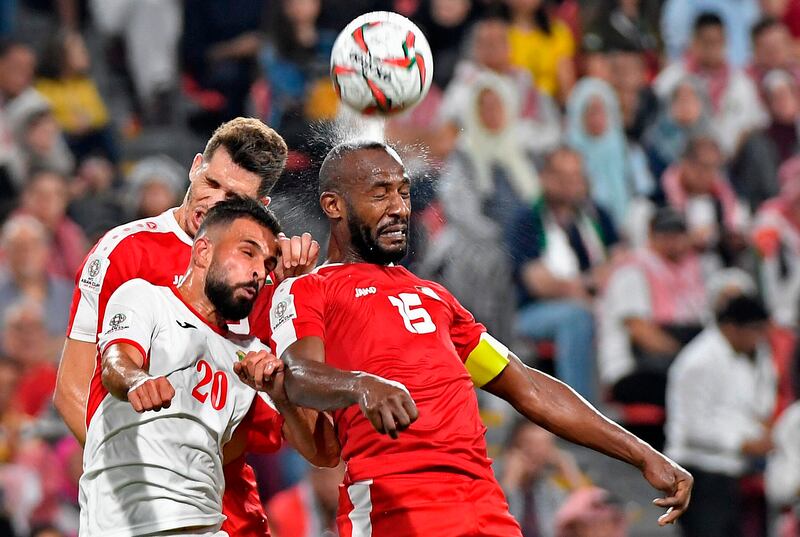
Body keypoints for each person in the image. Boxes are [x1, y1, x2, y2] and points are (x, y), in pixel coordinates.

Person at [237, 141, 693, 537]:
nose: (399, 207)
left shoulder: (435, 298)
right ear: (334, 205)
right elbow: (298, 374)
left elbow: (527, 385)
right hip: (396, 507)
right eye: (380, 194)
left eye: (403, 191)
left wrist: (641, 452)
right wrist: (363, 385)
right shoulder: (308, 288)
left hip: (484, 508)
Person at [54, 117, 320, 537]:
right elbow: (71, 389)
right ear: (196, 165)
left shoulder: (263, 277)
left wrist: (294, 292)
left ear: (260, 207)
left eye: (233, 196)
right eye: (211, 182)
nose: (213, 202)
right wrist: (139, 476)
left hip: (229, 507)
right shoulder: (124, 252)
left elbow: (281, 423)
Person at [80, 198, 339, 536]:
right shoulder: (146, 298)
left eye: (268, 262)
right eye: (248, 253)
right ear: (202, 251)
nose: (259, 271)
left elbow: (325, 452)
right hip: (122, 525)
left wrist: (282, 394)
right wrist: (136, 381)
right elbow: (116, 361)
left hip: (205, 525)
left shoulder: (250, 356)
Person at [423, 73, 539, 343]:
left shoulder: (521, 153)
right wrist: (502, 240)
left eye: (497, 105)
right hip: (475, 242)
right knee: (491, 265)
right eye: (483, 106)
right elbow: (462, 211)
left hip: (519, 242)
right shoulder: (464, 154)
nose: (491, 112)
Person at [507, 147, 620, 402]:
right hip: (534, 312)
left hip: (597, 301)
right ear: (545, 177)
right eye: (562, 176)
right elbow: (538, 283)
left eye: (576, 177)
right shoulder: (527, 218)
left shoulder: (596, 214)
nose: (570, 184)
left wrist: (593, 284)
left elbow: (620, 260)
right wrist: (589, 284)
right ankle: (580, 408)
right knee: (577, 317)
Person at [666, 293, 777, 537]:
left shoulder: (755, 357)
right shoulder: (698, 361)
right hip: (700, 471)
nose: (759, 337)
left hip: (737, 470)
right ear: (730, 327)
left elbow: (755, 408)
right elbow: (693, 427)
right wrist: (743, 443)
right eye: (754, 330)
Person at [598, 208, 708, 449]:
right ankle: (682, 453)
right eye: (666, 234)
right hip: (629, 372)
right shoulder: (632, 270)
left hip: (663, 366)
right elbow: (641, 332)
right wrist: (689, 361)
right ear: (652, 235)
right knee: (696, 385)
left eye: (679, 234)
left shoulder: (686, 269)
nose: (674, 240)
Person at [654, 12, 767, 157]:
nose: (712, 48)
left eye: (717, 41)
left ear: (726, 41)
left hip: (732, 162)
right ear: (694, 42)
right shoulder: (671, 79)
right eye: (706, 42)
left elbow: (754, 123)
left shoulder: (742, 82)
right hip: (682, 158)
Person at [500, 420, 585, 537]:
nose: (535, 452)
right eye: (529, 444)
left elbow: (587, 517)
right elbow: (490, 521)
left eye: (543, 445)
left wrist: (570, 472)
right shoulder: (492, 477)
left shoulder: (550, 489)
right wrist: (509, 482)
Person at [731, 69, 798, 209]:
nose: (782, 102)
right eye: (776, 98)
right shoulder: (757, 141)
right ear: (767, 103)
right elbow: (761, 187)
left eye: (786, 95)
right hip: (771, 210)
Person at [0, 215, 73, 341]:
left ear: (46, 250)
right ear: (5, 251)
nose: (26, 253)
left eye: (34, 245)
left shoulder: (68, 294)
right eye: (18, 247)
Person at [506, 0, 576, 103]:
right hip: (510, 103)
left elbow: (566, 85)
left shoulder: (557, 33)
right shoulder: (497, 32)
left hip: (550, 106)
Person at [266, 463, 345, 537]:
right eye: (325, 475)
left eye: (337, 474)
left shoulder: (353, 503)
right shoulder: (280, 511)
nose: (330, 484)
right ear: (312, 474)